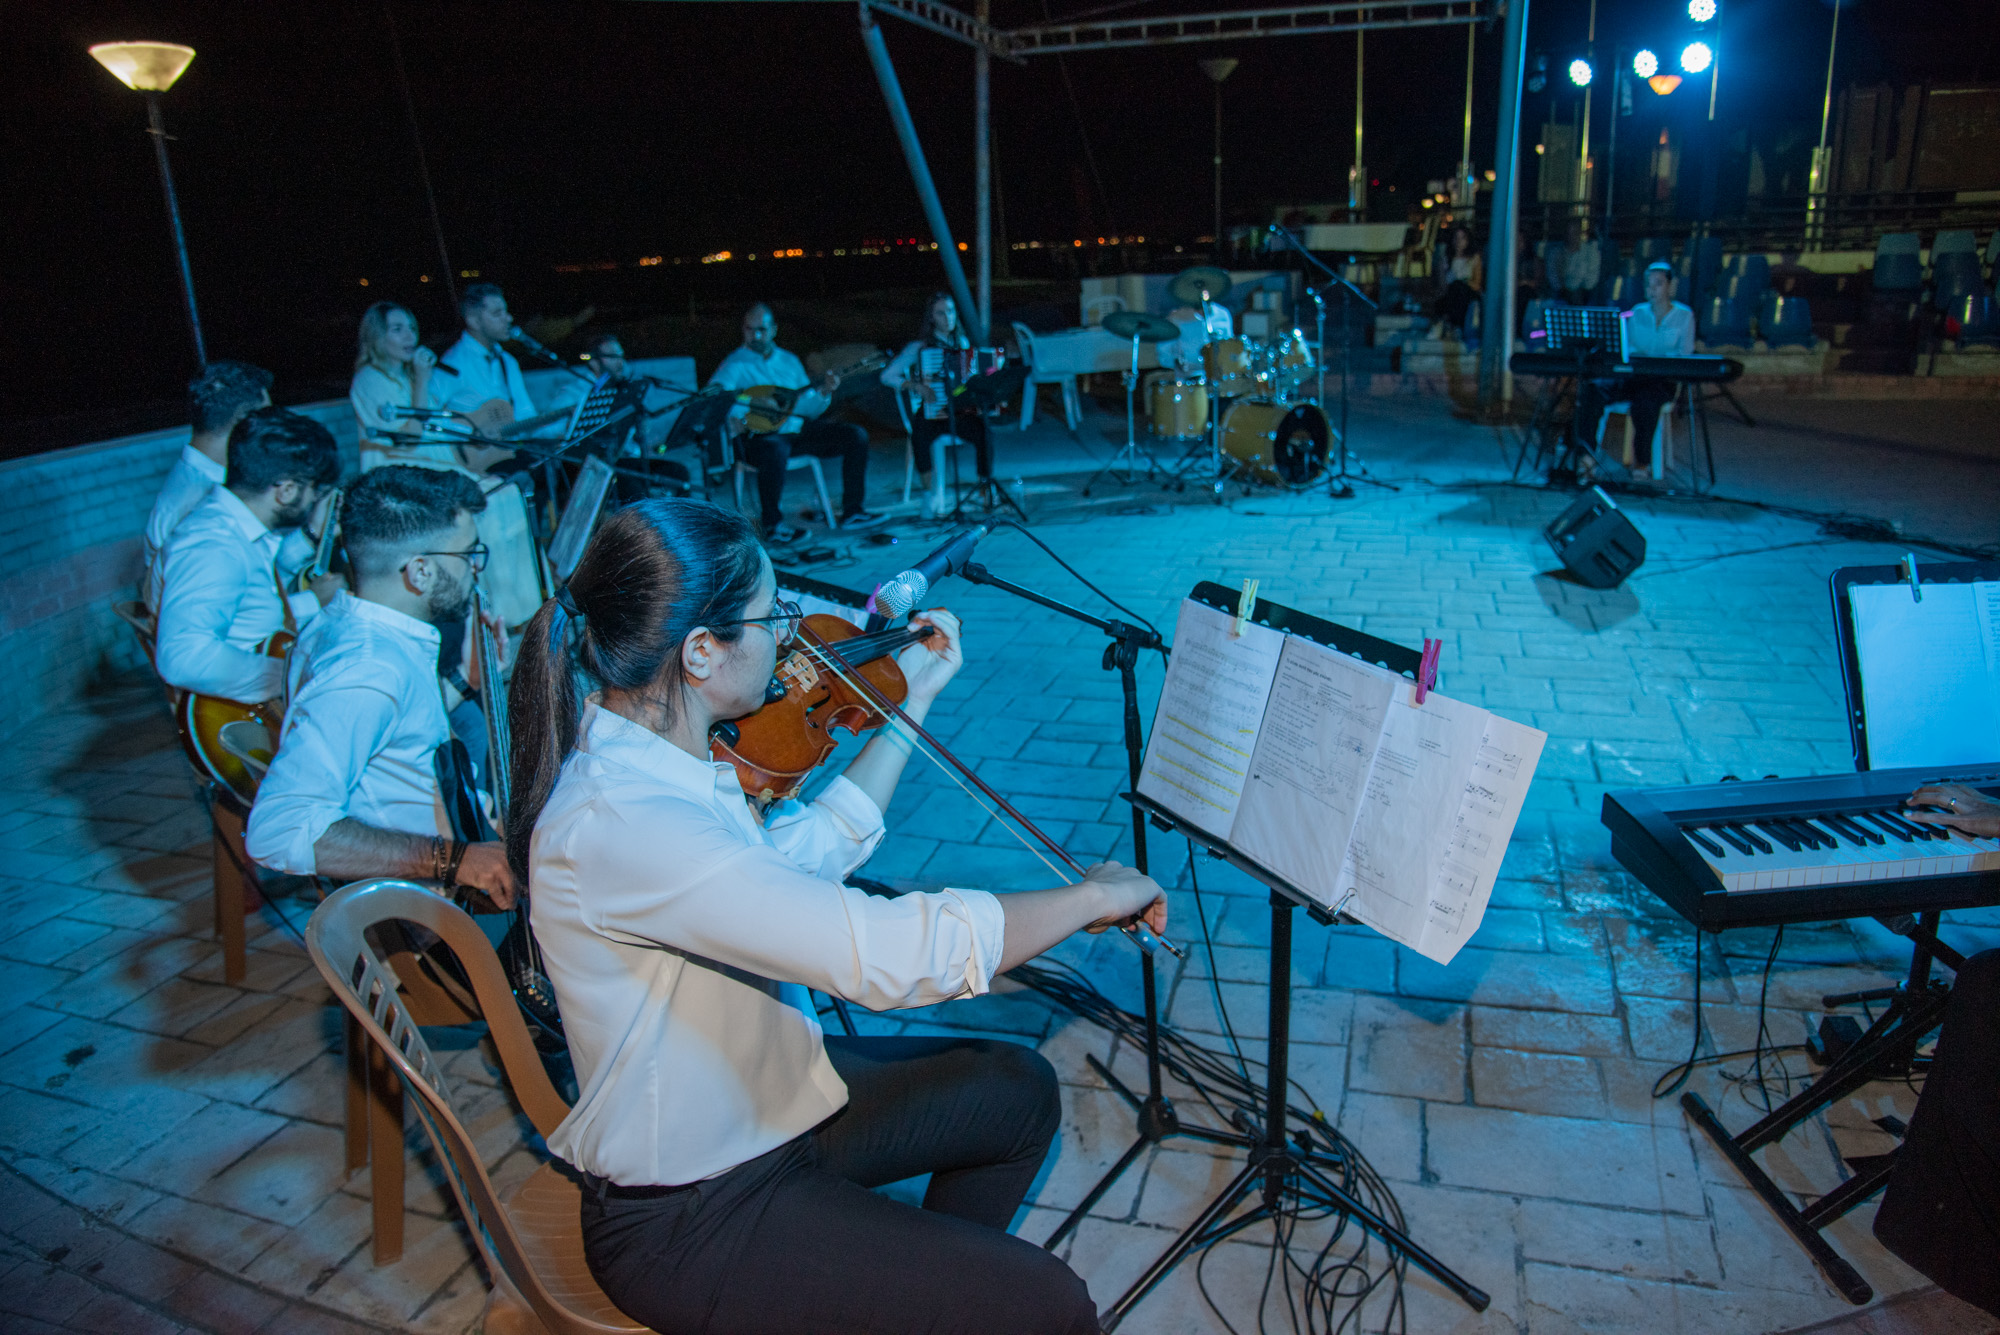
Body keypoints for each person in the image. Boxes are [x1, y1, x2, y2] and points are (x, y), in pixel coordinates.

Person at [507, 499, 1166, 1334]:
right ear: (701, 651)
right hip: (690, 1210)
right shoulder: (627, 822)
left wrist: (910, 702)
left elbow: (794, 857)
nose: (790, 632)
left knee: (1016, 1090)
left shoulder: (665, 760)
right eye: (769, 615)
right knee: (1051, 1306)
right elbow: (886, 956)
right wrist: (1091, 898)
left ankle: (920, 1298)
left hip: (775, 1102)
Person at [245, 465, 515, 907]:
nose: (474, 571)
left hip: (455, 855)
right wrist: (456, 860)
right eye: (468, 555)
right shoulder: (367, 669)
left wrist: (466, 684)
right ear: (420, 571)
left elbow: (395, 742)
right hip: (438, 917)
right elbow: (280, 828)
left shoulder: (338, 623)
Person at [153, 408, 343, 704]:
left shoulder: (242, 530)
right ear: (287, 491)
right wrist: (295, 675)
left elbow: (253, 605)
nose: (315, 500)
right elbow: (184, 657)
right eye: (315, 491)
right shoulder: (214, 546)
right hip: (243, 711)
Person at [707, 303, 882, 541]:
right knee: (774, 447)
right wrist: (747, 412)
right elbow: (714, 398)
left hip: (795, 431)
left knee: (855, 435)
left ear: (774, 329)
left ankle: (853, 511)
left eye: (762, 330)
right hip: (757, 439)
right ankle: (773, 525)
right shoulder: (735, 364)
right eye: (750, 330)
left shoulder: (789, 361)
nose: (756, 336)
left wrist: (823, 393)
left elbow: (806, 409)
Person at [143, 360, 274, 600]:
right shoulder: (196, 498)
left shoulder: (204, 479)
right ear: (242, 421)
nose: (272, 428)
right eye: (266, 418)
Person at [1573, 260, 1693, 471]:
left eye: (1658, 283)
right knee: (1594, 391)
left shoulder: (1684, 316)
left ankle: (1642, 463)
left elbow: (1684, 354)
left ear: (1670, 286)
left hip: (1662, 380)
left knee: (1646, 402)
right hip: (1634, 376)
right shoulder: (1638, 313)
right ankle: (1586, 457)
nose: (1652, 289)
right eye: (1649, 284)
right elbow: (1628, 348)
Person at [883, 293, 993, 518]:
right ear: (932, 318)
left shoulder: (962, 343)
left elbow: (967, 379)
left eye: (951, 312)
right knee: (919, 435)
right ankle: (928, 495)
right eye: (941, 313)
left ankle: (985, 488)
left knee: (984, 432)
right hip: (932, 410)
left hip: (958, 410)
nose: (948, 318)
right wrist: (915, 385)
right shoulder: (919, 348)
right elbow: (887, 376)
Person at [350, 301, 458, 472]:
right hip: (404, 478)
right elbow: (409, 439)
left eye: (412, 328)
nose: (410, 337)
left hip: (438, 470)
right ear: (377, 336)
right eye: (397, 329)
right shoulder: (370, 380)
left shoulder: (409, 376)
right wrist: (422, 381)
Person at [1432, 226, 1483, 337]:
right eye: (1456, 238)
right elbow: (1442, 286)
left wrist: (1464, 282)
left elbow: (1477, 284)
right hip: (1451, 294)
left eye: (1462, 238)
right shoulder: (1445, 260)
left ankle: (1457, 326)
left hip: (1468, 293)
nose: (1459, 242)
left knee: (1460, 289)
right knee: (1454, 290)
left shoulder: (1474, 258)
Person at [1559, 218, 1602, 304]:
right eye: (1569, 233)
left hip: (1585, 295)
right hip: (1563, 295)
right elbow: (1556, 279)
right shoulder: (1557, 253)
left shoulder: (1591, 252)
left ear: (1580, 233)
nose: (1572, 237)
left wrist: (1580, 291)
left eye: (1575, 233)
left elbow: (1592, 278)